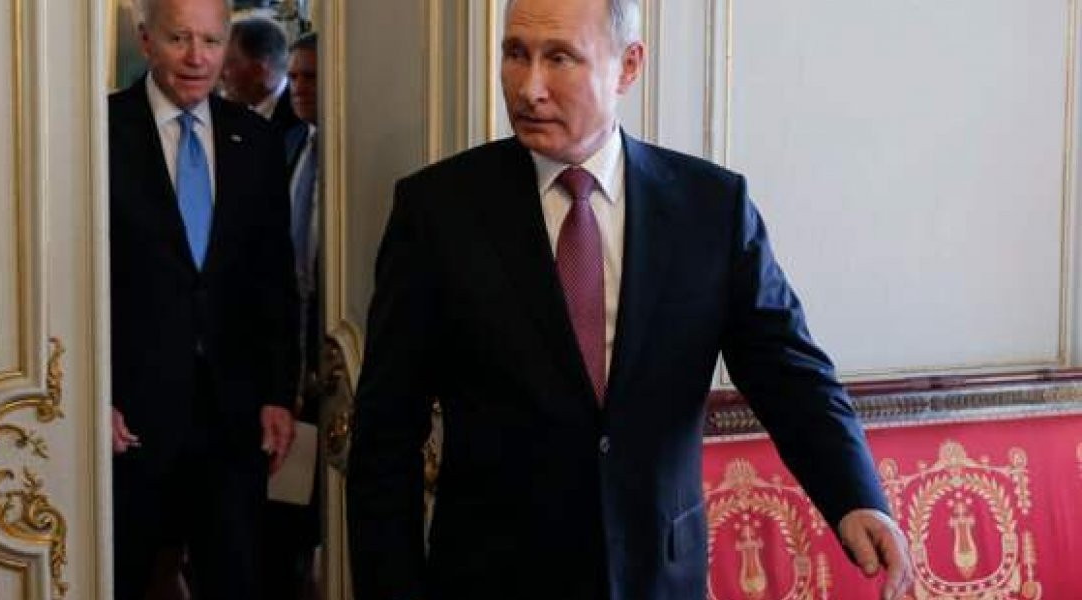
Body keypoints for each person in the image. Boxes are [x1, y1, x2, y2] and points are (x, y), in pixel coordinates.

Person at [345, 1, 914, 599]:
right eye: (516, 53)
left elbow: (789, 372)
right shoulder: (437, 212)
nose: (529, 87)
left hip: (657, 576)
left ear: (629, 65)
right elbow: (385, 433)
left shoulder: (711, 208)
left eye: (559, 58)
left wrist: (855, 496)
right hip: (492, 578)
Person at [107, 0, 300, 598]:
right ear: (146, 40)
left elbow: (275, 278)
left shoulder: (256, 139)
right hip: (129, 419)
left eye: (212, 42)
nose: (197, 58)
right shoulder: (97, 132)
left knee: (235, 577)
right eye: (180, 39)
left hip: (233, 416)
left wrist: (279, 392)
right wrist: (92, 399)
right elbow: (72, 277)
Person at [263, 31, 322, 600]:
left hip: (329, 348)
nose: (300, 88)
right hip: (290, 344)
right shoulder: (289, 145)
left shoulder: (341, 155)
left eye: (312, 78)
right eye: (296, 77)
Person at [222, 17, 301, 133]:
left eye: (228, 64)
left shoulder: (301, 119)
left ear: (258, 71)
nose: (221, 75)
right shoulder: (234, 116)